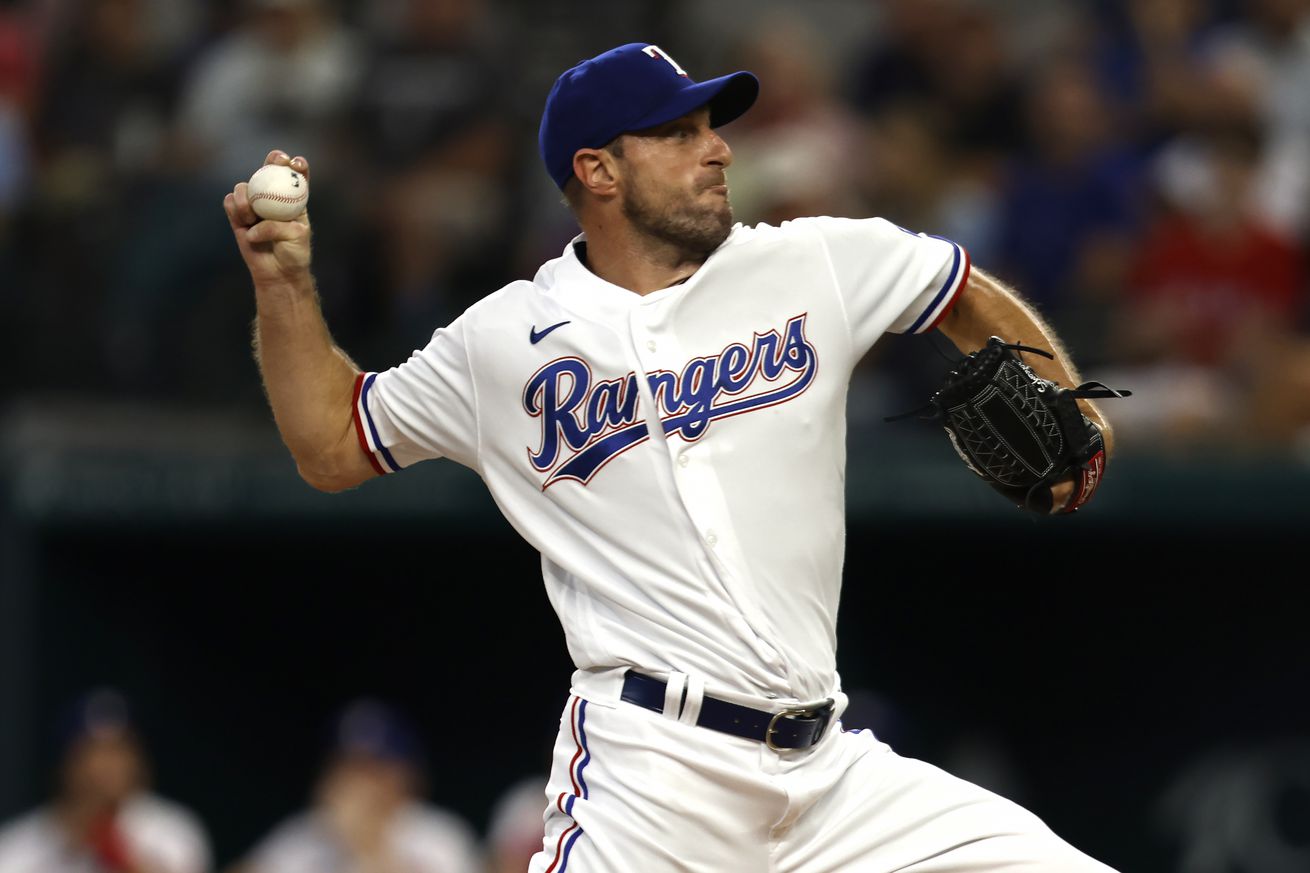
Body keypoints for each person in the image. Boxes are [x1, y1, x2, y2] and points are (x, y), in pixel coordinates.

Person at [223, 42, 1121, 872]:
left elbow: (955, 287)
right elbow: (335, 441)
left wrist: (1067, 402)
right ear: (598, 169)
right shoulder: (501, 341)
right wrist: (284, 282)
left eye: (712, 127)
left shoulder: (811, 262)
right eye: (679, 131)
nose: (718, 149)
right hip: (653, 776)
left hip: (836, 776)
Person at [227, 699, 481, 873]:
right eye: (348, 767)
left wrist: (369, 846)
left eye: (371, 769)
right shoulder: (306, 834)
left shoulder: (438, 836)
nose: (357, 782)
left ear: (404, 775)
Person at [0, 688, 211, 873]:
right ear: (66, 764)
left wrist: (113, 850)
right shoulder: (19, 844)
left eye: (120, 749)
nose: (110, 765)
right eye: (94, 751)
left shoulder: (171, 828)